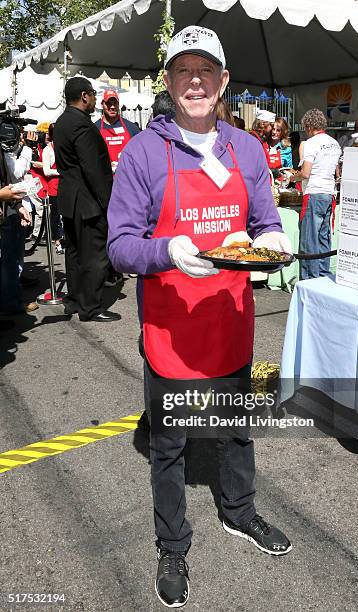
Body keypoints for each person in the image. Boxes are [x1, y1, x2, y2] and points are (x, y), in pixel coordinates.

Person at [107, 25, 292, 609]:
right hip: (171, 332)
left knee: (238, 432)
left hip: (232, 320)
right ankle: (173, 544)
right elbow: (119, 246)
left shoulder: (247, 149)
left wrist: (271, 241)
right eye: (183, 70)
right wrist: (168, 252)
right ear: (168, 82)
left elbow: (265, 225)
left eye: (205, 70)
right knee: (170, 446)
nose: (195, 81)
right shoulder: (142, 152)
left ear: (223, 81)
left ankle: (240, 512)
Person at [54, 77, 120, 322]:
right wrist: (108, 202)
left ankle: (73, 300)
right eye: (93, 94)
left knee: (74, 252)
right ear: (84, 96)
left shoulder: (62, 121)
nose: (94, 99)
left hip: (70, 198)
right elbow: (93, 169)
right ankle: (90, 307)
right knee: (94, 254)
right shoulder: (81, 125)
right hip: (88, 201)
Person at [293, 108, 341, 280]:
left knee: (309, 239)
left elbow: (305, 173)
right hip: (329, 193)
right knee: (323, 237)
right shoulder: (334, 143)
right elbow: (336, 170)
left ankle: (309, 278)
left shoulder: (311, 143)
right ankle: (322, 274)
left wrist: (292, 177)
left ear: (308, 126)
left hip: (314, 191)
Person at [0, 129, 35, 315]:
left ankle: (10, 301)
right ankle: (9, 303)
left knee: (12, 259)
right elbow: (15, 172)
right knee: (8, 261)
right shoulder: (7, 153)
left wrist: (17, 203)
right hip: (7, 212)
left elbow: (4, 180)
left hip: (10, 209)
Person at [95, 89, 140, 174]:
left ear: (118, 104)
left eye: (115, 103)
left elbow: (140, 154)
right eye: (108, 103)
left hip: (127, 180)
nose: (112, 107)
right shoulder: (94, 129)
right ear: (102, 104)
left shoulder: (131, 128)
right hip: (104, 182)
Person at [42, 123, 64, 254]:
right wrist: (60, 171)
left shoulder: (65, 147)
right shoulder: (47, 150)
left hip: (66, 184)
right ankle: (57, 240)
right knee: (55, 215)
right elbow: (46, 171)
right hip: (54, 186)